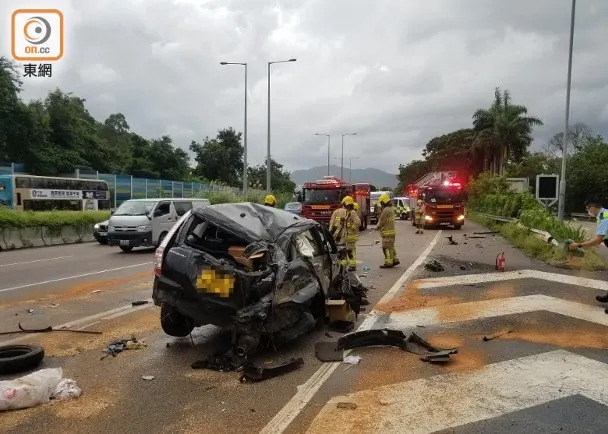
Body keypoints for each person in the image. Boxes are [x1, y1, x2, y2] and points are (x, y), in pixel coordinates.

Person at [568, 195, 608, 311]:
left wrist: (578, 245)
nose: (588, 211)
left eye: (587, 209)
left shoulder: (604, 217)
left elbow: (598, 240)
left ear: (592, 207)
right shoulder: (603, 214)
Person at [376, 193, 399, 268]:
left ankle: (388, 263)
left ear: (383, 202)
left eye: (381, 203)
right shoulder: (391, 209)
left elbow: (382, 220)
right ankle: (395, 260)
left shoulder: (386, 210)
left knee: (385, 247)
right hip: (391, 232)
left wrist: (378, 226)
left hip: (387, 233)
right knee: (391, 247)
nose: (380, 204)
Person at [342, 197, 361, 271]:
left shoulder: (352, 212)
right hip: (347, 235)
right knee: (349, 250)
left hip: (351, 235)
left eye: (344, 203)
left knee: (351, 250)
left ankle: (353, 265)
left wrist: (350, 227)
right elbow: (347, 223)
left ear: (347, 203)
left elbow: (358, 222)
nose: (343, 205)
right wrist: (343, 222)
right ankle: (351, 264)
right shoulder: (348, 212)